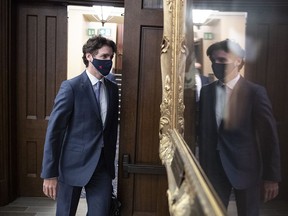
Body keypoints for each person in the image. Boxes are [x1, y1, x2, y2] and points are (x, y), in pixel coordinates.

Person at [198, 39, 281, 216]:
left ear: (238, 60)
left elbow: (269, 136)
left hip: (246, 169)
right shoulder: (206, 92)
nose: (216, 65)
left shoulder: (255, 93)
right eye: (214, 61)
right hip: (213, 170)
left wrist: (271, 177)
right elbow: (203, 133)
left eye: (222, 60)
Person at [41, 35, 119, 215]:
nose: (109, 61)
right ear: (89, 56)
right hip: (71, 166)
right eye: (105, 56)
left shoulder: (112, 89)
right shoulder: (71, 87)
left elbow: (111, 129)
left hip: (102, 167)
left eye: (111, 57)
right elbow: (54, 132)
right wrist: (50, 173)